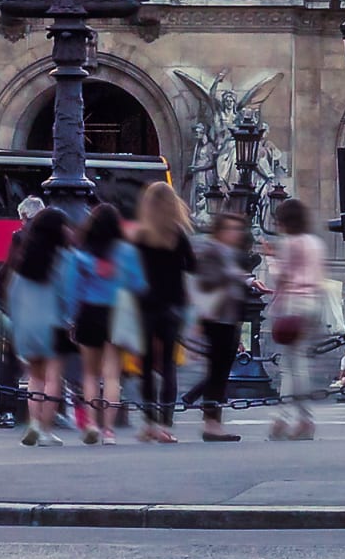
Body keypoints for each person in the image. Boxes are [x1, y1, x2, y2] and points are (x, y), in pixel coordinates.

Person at [66, 205, 143, 442]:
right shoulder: (127, 252)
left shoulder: (81, 254)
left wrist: (71, 318)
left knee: (90, 374)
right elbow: (139, 285)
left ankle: (91, 424)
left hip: (89, 312)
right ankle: (109, 430)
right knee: (112, 375)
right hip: (117, 313)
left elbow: (72, 290)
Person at [259, 197, 331, 440]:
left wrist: (270, 258)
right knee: (292, 363)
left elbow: (281, 276)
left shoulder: (291, 243)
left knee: (294, 365)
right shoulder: (314, 243)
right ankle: (284, 417)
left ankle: (301, 418)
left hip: (293, 304)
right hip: (312, 303)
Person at [130, 183, 196, 442]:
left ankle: (148, 424)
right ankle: (165, 425)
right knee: (168, 365)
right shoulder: (177, 234)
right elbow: (192, 266)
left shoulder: (140, 235)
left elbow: (132, 270)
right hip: (173, 305)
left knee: (146, 365)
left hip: (145, 306)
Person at [0, 207, 71, 445]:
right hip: (53, 324)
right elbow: (66, 294)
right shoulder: (62, 258)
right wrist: (70, 320)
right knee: (53, 378)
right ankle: (47, 429)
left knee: (35, 378)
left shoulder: (23, 261)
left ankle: (33, 426)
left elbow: (13, 294)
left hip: (27, 325)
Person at [184, 209, 251, 440]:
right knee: (217, 372)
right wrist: (234, 276)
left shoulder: (227, 252)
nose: (237, 234)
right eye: (232, 229)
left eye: (238, 229)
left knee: (220, 371)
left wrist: (245, 279)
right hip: (215, 318)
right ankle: (212, 424)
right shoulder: (211, 250)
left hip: (228, 317)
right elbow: (208, 280)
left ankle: (212, 421)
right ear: (221, 231)